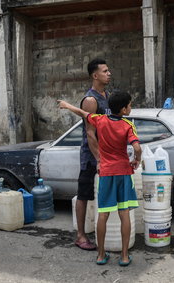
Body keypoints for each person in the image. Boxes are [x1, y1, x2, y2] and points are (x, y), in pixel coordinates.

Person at [58, 91, 141, 266]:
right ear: (124, 109)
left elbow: (83, 113)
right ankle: (124, 256)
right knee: (124, 213)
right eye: (130, 105)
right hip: (124, 173)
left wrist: (67, 105)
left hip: (105, 172)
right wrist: (137, 159)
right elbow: (137, 147)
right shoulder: (128, 125)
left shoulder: (100, 120)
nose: (131, 108)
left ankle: (101, 255)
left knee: (103, 214)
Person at [57, 58, 111, 250]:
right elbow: (90, 132)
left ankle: (105, 233)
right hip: (91, 157)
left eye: (108, 70)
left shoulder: (106, 96)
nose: (109, 73)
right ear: (95, 75)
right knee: (84, 194)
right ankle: (80, 236)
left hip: (106, 154)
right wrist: (98, 159)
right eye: (105, 71)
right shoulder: (91, 100)